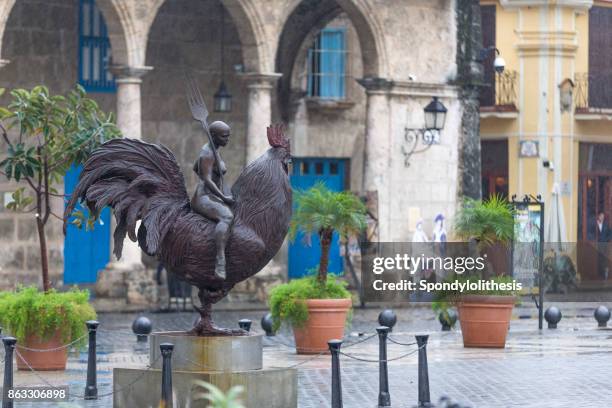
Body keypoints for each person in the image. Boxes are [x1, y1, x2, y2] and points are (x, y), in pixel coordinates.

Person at [191, 121, 235, 280]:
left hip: (214, 194)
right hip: (204, 196)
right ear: (214, 136)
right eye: (225, 136)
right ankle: (220, 261)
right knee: (227, 216)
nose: (228, 139)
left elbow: (196, 168)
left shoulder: (214, 149)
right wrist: (223, 197)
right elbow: (206, 179)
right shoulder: (207, 153)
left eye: (228, 135)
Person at [594, 212, 610, 279]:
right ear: (598, 216)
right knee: (597, 259)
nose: (602, 217)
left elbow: (609, 235)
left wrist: (606, 241)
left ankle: (604, 274)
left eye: (603, 216)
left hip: (604, 245)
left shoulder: (606, 225)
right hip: (595, 244)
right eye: (601, 216)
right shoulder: (594, 224)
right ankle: (598, 274)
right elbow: (591, 233)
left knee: (604, 258)